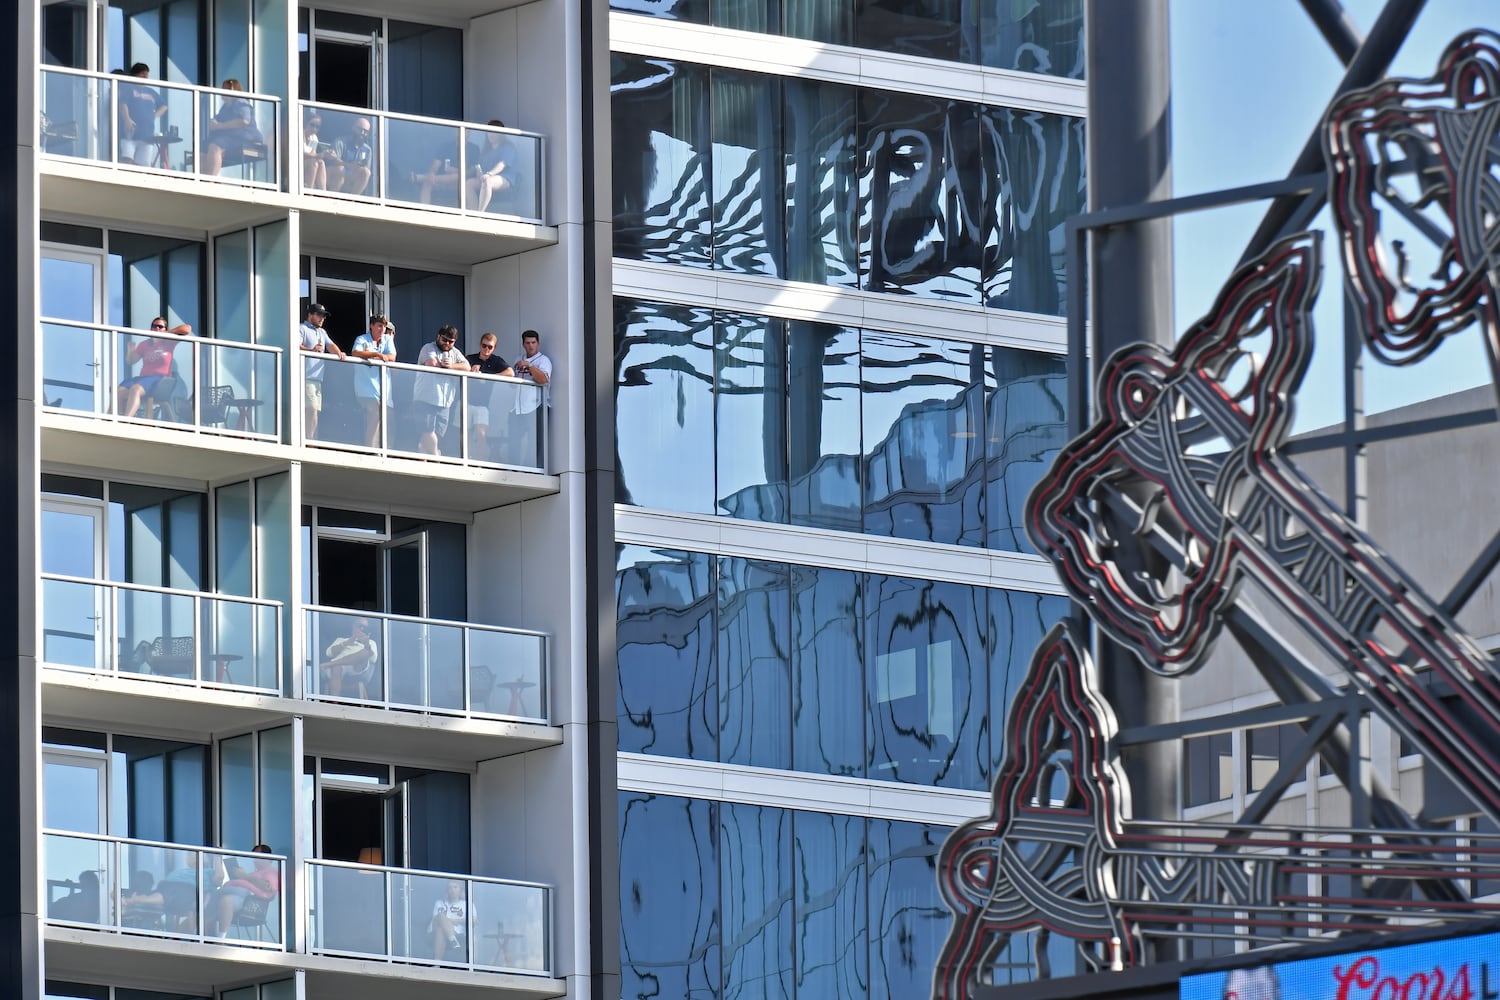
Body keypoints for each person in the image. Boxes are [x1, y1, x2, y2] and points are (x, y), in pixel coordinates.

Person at [118, 316, 192, 419]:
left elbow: (187, 329)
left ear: (165, 329)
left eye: (160, 327)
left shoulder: (169, 342)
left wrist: (165, 335)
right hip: (143, 379)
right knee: (120, 390)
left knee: (135, 389)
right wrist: (130, 350)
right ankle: (110, 420)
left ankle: (125, 420)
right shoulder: (144, 344)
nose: (157, 328)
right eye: (154, 326)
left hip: (159, 380)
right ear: (150, 329)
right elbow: (130, 361)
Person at [414, 325, 470, 455]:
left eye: (451, 342)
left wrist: (451, 366)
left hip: (445, 403)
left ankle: (424, 460)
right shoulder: (428, 347)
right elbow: (432, 364)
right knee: (427, 431)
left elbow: (467, 366)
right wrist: (449, 367)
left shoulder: (455, 352)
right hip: (425, 399)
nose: (447, 344)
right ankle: (436, 456)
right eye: (444, 340)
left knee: (436, 435)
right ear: (438, 336)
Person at [208, 844, 279, 937]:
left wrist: (244, 876)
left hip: (248, 903)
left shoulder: (272, 871)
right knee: (205, 905)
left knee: (226, 900)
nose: (254, 860)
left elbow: (268, 887)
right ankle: (203, 938)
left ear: (267, 857)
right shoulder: (255, 873)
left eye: (257, 856)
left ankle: (220, 938)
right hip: (235, 895)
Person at [299, 303, 346, 440]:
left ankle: (310, 439)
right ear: (310, 315)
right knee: (311, 409)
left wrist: (339, 353)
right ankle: (309, 440)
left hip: (318, 379)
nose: (322, 319)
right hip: (305, 376)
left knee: (314, 411)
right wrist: (311, 350)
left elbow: (331, 345)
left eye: (323, 316)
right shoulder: (302, 329)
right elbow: (296, 345)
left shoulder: (322, 332)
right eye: (319, 315)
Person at [351, 314, 397, 448]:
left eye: (384, 326)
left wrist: (376, 356)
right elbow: (355, 352)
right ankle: (371, 448)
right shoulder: (362, 339)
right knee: (374, 414)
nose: (382, 329)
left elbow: (392, 357)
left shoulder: (387, 339)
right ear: (371, 326)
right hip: (366, 388)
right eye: (379, 326)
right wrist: (376, 355)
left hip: (384, 390)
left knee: (389, 419)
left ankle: (388, 451)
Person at [465, 331, 513, 460]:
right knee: (465, 434)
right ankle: (466, 459)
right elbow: (460, 367)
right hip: (466, 401)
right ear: (480, 345)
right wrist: (470, 371)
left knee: (481, 434)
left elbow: (510, 372)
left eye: (490, 347)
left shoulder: (495, 360)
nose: (486, 349)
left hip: (482, 405)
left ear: (494, 348)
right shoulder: (470, 358)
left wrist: (489, 377)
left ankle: (479, 461)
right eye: (484, 346)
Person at [201, 79, 264, 176]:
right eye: (223, 88)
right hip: (232, 137)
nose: (224, 91)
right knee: (203, 148)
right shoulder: (225, 107)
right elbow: (218, 119)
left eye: (227, 88)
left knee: (215, 147)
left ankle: (210, 180)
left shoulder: (240, 102)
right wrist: (213, 123)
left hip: (245, 137)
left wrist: (220, 126)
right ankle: (202, 178)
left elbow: (244, 121)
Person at [509, 329, 552, 465]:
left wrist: (529, 366)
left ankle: (535, 468)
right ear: (523, 344)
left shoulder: (543, 360)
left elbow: (543, 379)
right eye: (527, 343)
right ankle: (515, 467)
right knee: (514, 440)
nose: (531, 346)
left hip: (536, 405)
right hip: (517, 406)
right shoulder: (518, 359)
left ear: (538, 343)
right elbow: (512, 384)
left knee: (535, 441)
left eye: (533, 342)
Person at [117, 63, 166, 166]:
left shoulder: (151, 92)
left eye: (146, 75)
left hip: (147, 135)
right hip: (130, 134)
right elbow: (122, 103)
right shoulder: (129, 89)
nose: (145, 77)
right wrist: (127, 119)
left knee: (143, 165)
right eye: (142, 74)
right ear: (135, 74)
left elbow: (164, 106)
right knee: (127, 161)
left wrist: (154, 116)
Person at [319, 616, 379, 699]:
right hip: (338, 670)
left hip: (358, 669)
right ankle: (334, 702)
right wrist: (347, 642)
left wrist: (366, 644)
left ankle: (329, 664)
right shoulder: (341, 640)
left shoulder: (371, 643)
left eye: (365, 628)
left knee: (365, 652)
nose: (362, 629)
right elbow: (329, 653)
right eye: (359, 626)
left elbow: (373, 658)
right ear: (353, 626)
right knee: (337, 667)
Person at [468, 121, 515, 212]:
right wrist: (479, 173)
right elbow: (479, 166)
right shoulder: (486, 149)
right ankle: (474, 213)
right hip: (486, 177)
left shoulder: (508, 147)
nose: (491, 135)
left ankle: (480, 213)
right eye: (489, 132)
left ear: (501, 134)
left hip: (505, 178)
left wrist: (490, 174)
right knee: (468, 183)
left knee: (487, 181)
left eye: (494, 132)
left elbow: (502, 164)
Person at [429, 879, 472, 960]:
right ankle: (453, 940)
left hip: (459, 933)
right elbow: (435, 919)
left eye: (455, 887)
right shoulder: (439, 903)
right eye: (450, 887)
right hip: (435, 932)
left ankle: (437, 962)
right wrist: (447, 921)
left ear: (460, 890)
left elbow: (474, 920)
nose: (452, 890)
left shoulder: (466, 904)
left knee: (441, 929)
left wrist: (456, 921)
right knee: (440, 920)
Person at [331, 117, 374, 195]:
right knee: (340, 169)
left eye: (366, 131)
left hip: (351, 180)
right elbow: (334, 162)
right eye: (360, 129)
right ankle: (333, 198)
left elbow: (366, 169)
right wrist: (350, 165)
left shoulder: (367, 150)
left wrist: (360, 167)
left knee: (366, 172)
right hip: (335, 177)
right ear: (353, 128)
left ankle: (352, 200)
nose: (362, 133)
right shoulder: (340, 142)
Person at [302, 110, 327, 190]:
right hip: (298, 164)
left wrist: (323, 155)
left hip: (308, 164)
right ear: (306, 123)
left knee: (321, 162)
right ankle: (309, 189)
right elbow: (300, 154)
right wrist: (319, 155)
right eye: (312, 125)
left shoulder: (314, 138)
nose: (314, 128)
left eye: (317, 127)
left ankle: (323, 191)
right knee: (314, 163)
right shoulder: (299, 134)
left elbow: (313, 153)